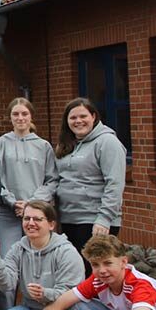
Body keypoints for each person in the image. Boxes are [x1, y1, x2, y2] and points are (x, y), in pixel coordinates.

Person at [0, 97, 58, 309]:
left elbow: (52, 179)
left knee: (39, 261)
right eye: (16, 114)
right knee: (5, 263)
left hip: (37, 214)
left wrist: (31, 203)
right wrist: (12, 201)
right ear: (9, 117)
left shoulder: (43, 146)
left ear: (31, 116)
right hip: (7, 214)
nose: (20, 118)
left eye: (24, 114)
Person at [54, 98, 127, 258]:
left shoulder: (107, 142)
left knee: (95, 274)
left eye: (83, 116)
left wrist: (104, 218)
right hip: (67, 218)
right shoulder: (66, 145)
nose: (78, 121)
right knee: (75, 273)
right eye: (73, 118)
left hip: (94, 220)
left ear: (93, 117)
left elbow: (114, 184)